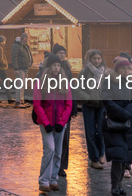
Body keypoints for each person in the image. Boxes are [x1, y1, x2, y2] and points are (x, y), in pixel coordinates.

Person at [33, 53, 72, 193]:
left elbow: (69, 104)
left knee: (58, 151)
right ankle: (44, 180)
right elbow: (37, 104)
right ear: (49, 67)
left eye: (58, 65)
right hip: (46, 123)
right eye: (54, 65)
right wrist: (46, 122)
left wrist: (62, 122)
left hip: (60, 123)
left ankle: (53, 178)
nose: (56, 68)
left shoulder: (64, 82)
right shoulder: (41, 82)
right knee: (49, 149)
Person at [102, 57, 132, 196]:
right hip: (115, 123)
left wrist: (127, 112)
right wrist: (121, 112)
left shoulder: (131, 81)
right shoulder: (109, 81)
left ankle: (119, 185)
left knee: (127, 155)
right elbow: (106, 100)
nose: (127, 71)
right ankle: (115, 186)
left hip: (129, 122)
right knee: (118, 155)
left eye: (128, 68)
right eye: (124, 68)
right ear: (117, 68)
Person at [76, 49, 107, 170]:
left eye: (99, 58)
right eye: (94, 58)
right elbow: (78, 88)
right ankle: (94, 158)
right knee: (90, 132)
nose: (97, 61)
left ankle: (101, 154)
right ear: (90, 59)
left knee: (101, 131)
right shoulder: (84, 72)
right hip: (89, 105)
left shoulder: (106, 73)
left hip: (101, 106)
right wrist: (88, 97)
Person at [52, 43, 78, 177]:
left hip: (65, 109)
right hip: (52, 108)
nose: (62, 55)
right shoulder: (49, 69)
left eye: (63, 53)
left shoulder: (67, 69)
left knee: (65, 138)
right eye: (59, 53)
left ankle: (62, 165)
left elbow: (71, 90)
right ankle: (53, 164)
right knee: (53, 139)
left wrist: (73, 107)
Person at [10, 32, 32, 108]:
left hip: (25, 68)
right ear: (24, 38)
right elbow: (14, 57)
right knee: (20, 85)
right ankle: (18, 101)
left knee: (22, 85)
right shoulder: (16, 46)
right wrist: (16, 68)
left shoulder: (25, 45)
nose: (28, 40)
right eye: (27, 38)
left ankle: (21, 100)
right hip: (20, 68)